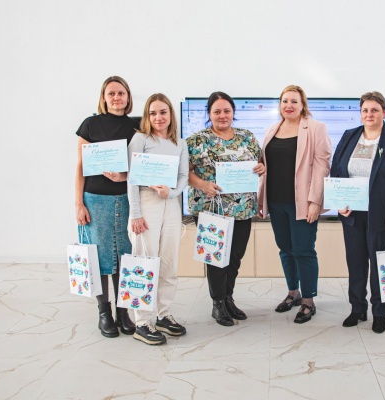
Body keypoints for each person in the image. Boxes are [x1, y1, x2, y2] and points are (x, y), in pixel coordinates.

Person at [330, 91, 385, 333]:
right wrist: (339, 201)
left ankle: (379, 312)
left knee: (380, 266)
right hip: (352, 214)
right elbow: (337, 170)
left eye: (374, 110)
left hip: (382, 215)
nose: (369, 114)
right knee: (355, 264)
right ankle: (357, 308)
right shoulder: (349, 136)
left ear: (384, 112)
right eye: (365, 110)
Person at [186, 91, 266, 327]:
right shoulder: (196, 140)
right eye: (217, 111)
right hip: (211, 209)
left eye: (227, 111)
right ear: (209, 114)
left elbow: (260, 163)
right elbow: (184, 173)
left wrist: (261, 168)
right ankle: (217, 303)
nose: (222, 115)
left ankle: (229, 298)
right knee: (215, 258)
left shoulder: (247, 137)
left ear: (233, 112)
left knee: (235, 257)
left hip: (243, 209)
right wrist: (202, 184)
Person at [258, 85, 331, 324]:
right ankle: (293, 293)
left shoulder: (315, 128)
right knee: (285, 249)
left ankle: (308, 301)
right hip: (276, 201)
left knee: (304, 251)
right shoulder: (272, 129)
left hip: (302, 203)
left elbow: (322, 167)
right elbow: (267, 163)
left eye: (294, 101)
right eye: (284, 101)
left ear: (302, 105)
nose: (288, 105)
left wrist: (315, 201)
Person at [74, 76, 138, 338]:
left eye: (121, 93)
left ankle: (123, 312)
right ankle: (104, 313)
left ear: (127, 96)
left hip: (126, 199)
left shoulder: (137, 126)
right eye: (111, 93)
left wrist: (124, 176)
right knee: (100, 257)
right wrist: (78, 203)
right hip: (96, 199)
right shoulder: (90, 124)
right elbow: (80, 167)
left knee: (125, 255)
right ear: (103, 97)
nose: (116, 97)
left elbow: (141, 164)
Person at [127, 93, 189, 345]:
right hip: (146, 202)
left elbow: (183, 177)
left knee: (168, 263)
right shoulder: (140, 139)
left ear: (170, 114)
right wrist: (136, 213)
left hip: (171, 204)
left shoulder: (180, 143)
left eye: (163, 112)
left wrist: (171, 193)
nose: (158, 117)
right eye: (153, 113)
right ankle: (142, 322)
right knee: (144, 262)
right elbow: (132, 178)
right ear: (147, 116)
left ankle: (163, 315)